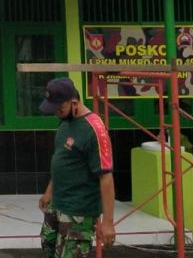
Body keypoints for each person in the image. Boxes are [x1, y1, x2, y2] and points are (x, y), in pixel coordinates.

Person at [38, 77, 115, 258]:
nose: (57, 113)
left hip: (78, 210)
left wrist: (108, 223)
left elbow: (106, 177)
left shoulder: (94, 130)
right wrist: (49, 191)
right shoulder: (65, 121)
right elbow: (62, 159)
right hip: (58, 203)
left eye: (59, 109)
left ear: (74, 102)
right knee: (48, 245)